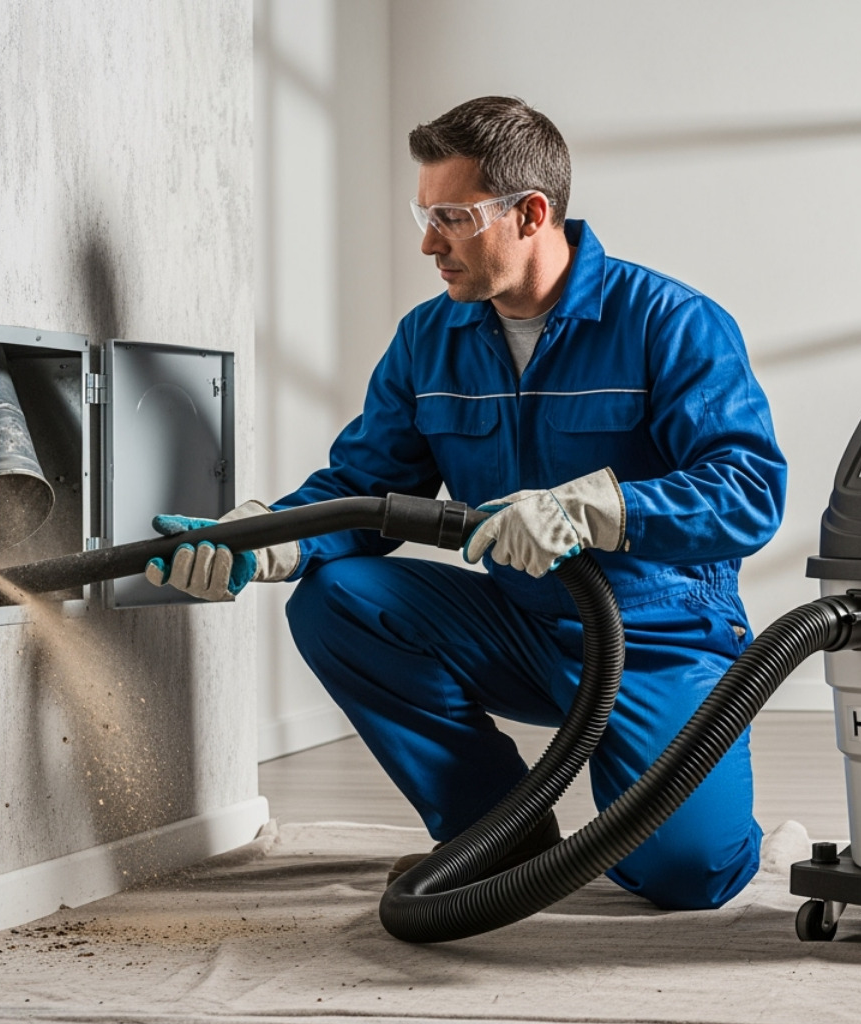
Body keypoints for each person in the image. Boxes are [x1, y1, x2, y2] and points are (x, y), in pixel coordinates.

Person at [146, 96, 787, 910]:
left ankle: (732, 832)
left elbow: (750, 490)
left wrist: (588, 510)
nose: (428, 243)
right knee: (339, 599)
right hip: (519, 625)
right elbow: (365, 488)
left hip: (657, 639)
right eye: (425, 216)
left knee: (688, 874)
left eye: (452, 217)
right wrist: (271, 539)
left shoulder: (670, 322)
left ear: (531, 214)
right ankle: (498, 832)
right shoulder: (429, 340)